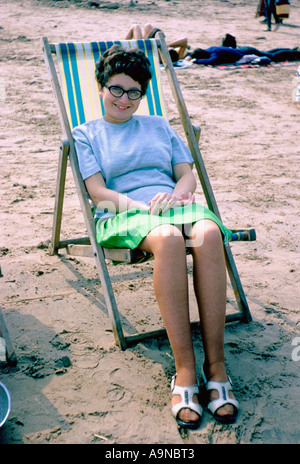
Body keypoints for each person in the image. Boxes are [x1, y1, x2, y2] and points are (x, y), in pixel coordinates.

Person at [72, 44, 239, 429]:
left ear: (142, 94)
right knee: (168, 239)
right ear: (102, 87)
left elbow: (186, 173)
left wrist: (180, 193)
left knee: (210, 234)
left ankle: (216, 368)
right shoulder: (86, 134)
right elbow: (98, 191)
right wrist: (139, 205)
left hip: (172, 203)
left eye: (134, 92)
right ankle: (185, 371)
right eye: (116, 89)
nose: (124, 99)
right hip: (123, 211)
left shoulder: (159, 125)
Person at [125, 23, 190, 62]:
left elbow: (184, 40)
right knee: (148, 26)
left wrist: (165, 45)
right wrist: (165, 45)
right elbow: (184, 40)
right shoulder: (178, 56)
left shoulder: (159, 57)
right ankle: (155, 40)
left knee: (136, 26)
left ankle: (121, 48)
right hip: (151, 48)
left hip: (142, 50)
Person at [222, 33, 300, 63]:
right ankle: (290, 50)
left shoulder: (223, 52)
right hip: (245, 49)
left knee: (272, 56)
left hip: (247, 51)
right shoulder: (225, 50)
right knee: (268, 53)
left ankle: (295, 53)